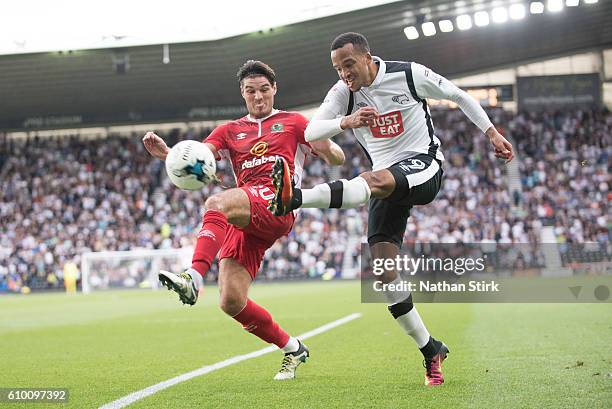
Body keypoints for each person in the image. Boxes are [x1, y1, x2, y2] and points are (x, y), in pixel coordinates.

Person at [268, 32, 514, 386]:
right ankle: (431, 349)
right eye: (338, 68)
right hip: (384, 180)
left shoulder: (408, 74)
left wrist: (491, 133)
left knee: (371, 180)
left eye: (349, 65)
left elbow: (457, 95)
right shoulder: (343, 94)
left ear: (368, 57)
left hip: (422, 165)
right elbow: (311, 131)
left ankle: (295, 199)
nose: (344, 74)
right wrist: (345, 122)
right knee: (384, 273)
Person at [142, 60, 344, 380]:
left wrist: (326, 146)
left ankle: (193, 278)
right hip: (248, 215)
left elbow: (337, 157)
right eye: (251, 91)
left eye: (264, 90)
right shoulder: (229, 130)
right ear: (243, 93)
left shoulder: (294, 122)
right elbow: (200, 161)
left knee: (216, 202)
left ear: (274, 89)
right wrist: (169, 156)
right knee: (231, 301)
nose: (259, 97)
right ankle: (292, 348)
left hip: (278, 203)